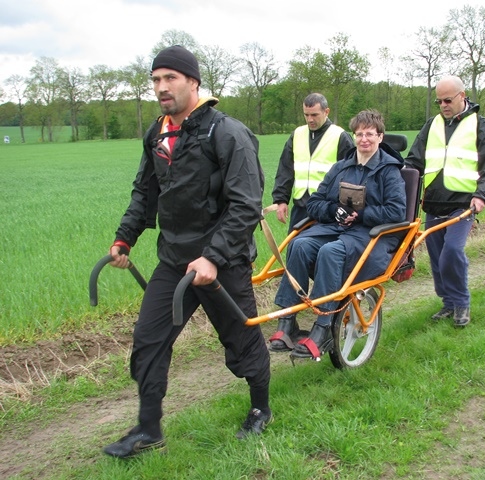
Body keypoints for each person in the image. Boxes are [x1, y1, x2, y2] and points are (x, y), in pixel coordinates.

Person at [102, 45, 271, 458]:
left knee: (240, 340)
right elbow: (145, 193)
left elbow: (246, 203)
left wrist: (213, 257)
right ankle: (148, 428)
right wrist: (125, 238)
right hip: (175, 260)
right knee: (148, 340)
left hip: (222, 262)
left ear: (193, 81)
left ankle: (260, 408)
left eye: (170, 78)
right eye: (156, 79)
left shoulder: (226, 132)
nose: (161, 87)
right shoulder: (157, 133)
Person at [269, 110, 407, 358]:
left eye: (370, 134)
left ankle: (322, 329)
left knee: (330, 252)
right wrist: (335, 210)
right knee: (299, 245)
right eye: (360, 134)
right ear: (354, 136)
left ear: (380, 137)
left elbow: (396, 211)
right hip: (336, 227)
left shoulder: (389, 171)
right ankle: (287, 322)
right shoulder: (341, 167)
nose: (364, 139)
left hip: (371, 235)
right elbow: (315, 203)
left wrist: (360, 215)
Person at [405, 75, 485, 328]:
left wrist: (482, 195)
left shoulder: (480, 125)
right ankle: (448, 303)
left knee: (452, 252)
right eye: (439, 101)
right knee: (436, 257)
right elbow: (414, 161)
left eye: (448, 100)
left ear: (462, 96)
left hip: (462, 205)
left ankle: (461, 303)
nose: (443, 105)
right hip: (434, 203)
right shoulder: (431, 125)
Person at [271, 93, 354, 232]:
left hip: (327, 208)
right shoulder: (297, 134)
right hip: (300, 207)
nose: (310, 119)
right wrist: (281, 200)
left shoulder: (340, 136)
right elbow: (285, 169)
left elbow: (351, 175)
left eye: (314, 115)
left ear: (326, 111)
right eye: (306, 115)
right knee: (294, 249)